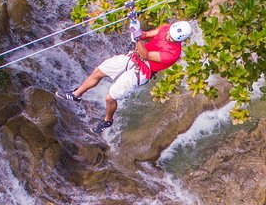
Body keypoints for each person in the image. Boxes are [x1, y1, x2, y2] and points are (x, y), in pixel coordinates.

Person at [56, 20, 193, 133]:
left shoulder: (173, 54)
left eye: (172, 39)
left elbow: (145, 55)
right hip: (134, 57)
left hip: (143, 70)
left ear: (179, 41)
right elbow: (146, 35)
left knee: (110, 97)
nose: (168, 37)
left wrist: (137, 38)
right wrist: (137, 29)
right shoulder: (167, 29)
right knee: (98, 71)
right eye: (169, 34)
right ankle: (76, 95)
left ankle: (107, 120)